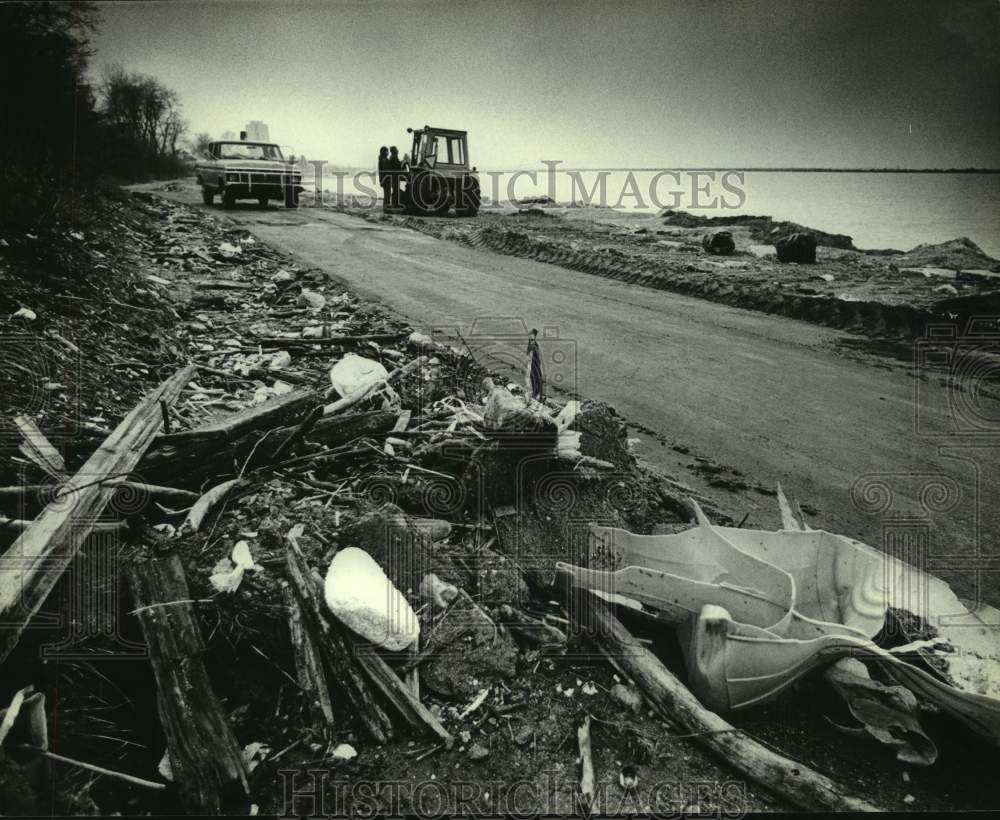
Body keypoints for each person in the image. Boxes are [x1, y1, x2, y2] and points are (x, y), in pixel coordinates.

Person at [377, 146, 390, 211]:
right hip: (386, 180)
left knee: (386, 194)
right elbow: (386, 170)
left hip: (384, 180)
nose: (388, 152)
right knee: (387, 194)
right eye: (387, 151)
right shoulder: (384, 160)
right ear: (385, 152)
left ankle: (386, 208)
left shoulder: (381, 159)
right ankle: (386, 209)